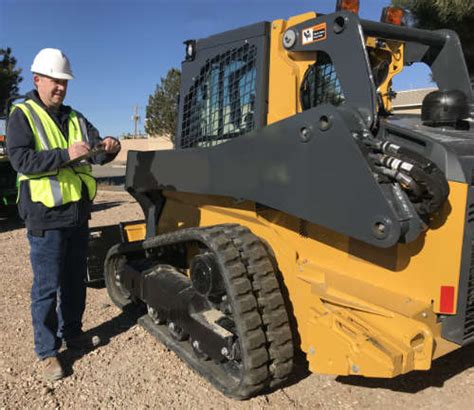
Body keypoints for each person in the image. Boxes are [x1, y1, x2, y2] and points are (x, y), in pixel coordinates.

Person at [6, 48, 121, 382]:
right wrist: (66, 154)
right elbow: (22, 161)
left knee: (75, 281)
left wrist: (110, 146)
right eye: (54, 81)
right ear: (37, 79)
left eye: (64, 82)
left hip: (76, 215)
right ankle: (47, 351)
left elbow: (96, 153)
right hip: (45, 216)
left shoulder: (76, 118)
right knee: (46, 286)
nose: (60, 88)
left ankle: (73, 332)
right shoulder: (22, 114)